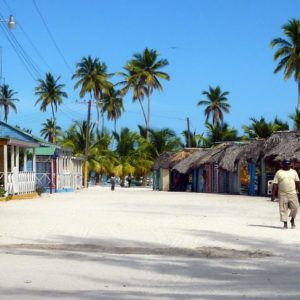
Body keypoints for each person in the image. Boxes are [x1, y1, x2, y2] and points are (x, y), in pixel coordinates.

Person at [271, 159, 300, 229]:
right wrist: (273, 195)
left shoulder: (294, 172)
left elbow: (298, 182)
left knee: (295, 208)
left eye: (288, 164)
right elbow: (275, 184)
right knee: (283, 209)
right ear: (283, 165)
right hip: (282, 194)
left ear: (290, 165)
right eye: (286, 164)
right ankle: (285, 224)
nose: (287, 165)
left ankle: (292, 220)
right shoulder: (279, 173)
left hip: (293, 193)